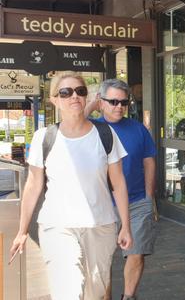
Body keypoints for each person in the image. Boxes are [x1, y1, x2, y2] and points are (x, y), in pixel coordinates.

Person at [10, 72, 132, 300]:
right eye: (65, 92)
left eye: (80, 91)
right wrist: (22, 230)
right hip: (57, 226)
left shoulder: (105, 134)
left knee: (94, 293)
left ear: (87, 98)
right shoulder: (44, 137)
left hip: (100, 225)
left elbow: (118, 183)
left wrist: (126, 225)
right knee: (69, 290)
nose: (74, 96)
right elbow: (34, 185)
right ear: (54, 100)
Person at [85, 79, 157, 300]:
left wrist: (149, 196)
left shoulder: (138, 129)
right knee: (102, 259)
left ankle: (128, 296)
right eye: (113, 101)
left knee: (136, 253)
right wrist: (91, 105)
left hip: (136, 201)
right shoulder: (89, 128)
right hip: (102, 204)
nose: (119, 106)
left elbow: (149, 162)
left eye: (123, 102)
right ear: (101, 102)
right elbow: (71, 122)